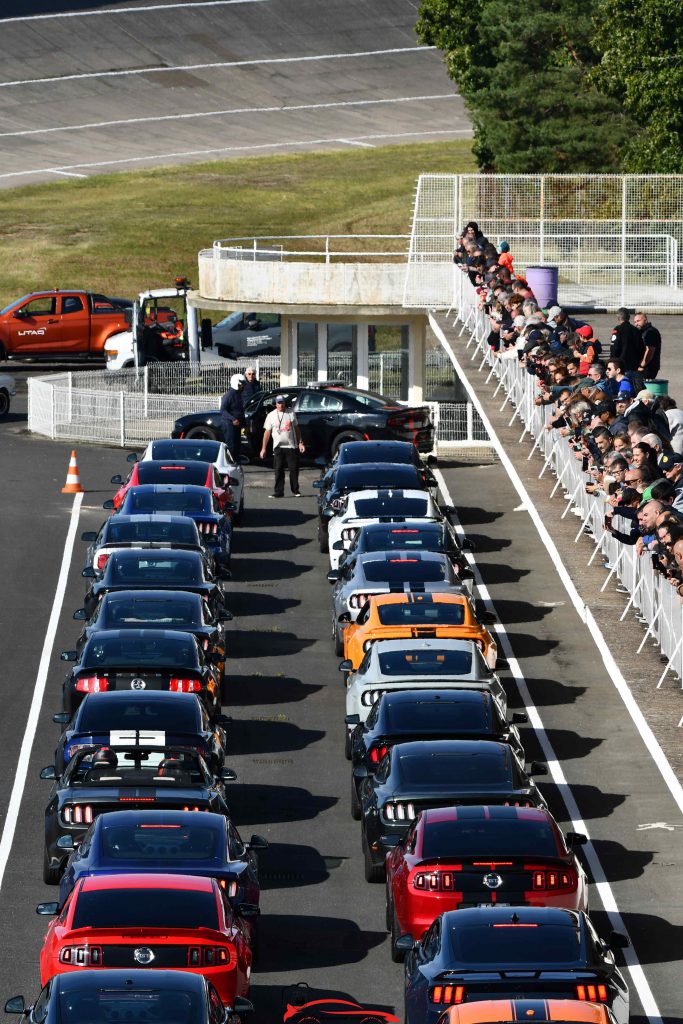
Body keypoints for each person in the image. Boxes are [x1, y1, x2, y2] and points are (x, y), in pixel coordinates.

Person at [260, 395, 305, 497]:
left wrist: (301, 442)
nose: (280, 405)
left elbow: (297, 429)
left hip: (291, 445)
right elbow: (267, 433)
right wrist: (263, 448)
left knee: (293, 469)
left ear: (285, 403)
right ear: (275, 404)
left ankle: (295, 490)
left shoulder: (290, 413)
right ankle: (278, 492)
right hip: (278, 446)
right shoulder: (271, 415)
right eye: (278, 403)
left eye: (282, 403)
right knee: (278, 469)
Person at [219, 373, 246, 460]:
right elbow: (223, 410)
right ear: (236, 383)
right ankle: (230, 462)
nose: (243, 386)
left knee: (237, 445)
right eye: (241, 384)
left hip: (237, 425)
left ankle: (235, 461)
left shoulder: (239, 394)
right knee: (231, 445)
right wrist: (233, 419)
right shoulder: (229, 395)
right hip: (229, 424)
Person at [610, 307, 644, 372]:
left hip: (620, 366)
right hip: (633, 366)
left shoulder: (618, 330)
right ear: (629, 317)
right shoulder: (636, 330)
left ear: (618, 317)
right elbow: (641, 348)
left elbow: (614, 348)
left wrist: (612, 362)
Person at [634, 311, 662, 379]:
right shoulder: (642, 332)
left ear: (645, 320)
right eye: (635, 322)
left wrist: (642, 365)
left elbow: (650, 350)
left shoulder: (650, 332)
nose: (636, 324)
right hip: (645, 367)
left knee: (642, 388)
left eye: (638, 321)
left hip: (648, 368)